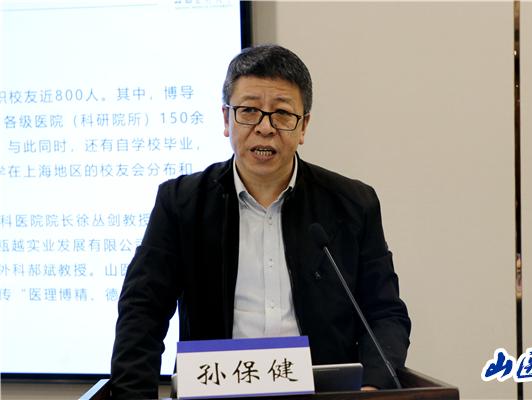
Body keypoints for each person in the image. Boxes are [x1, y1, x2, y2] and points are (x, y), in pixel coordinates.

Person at [110, 44, 411, 399]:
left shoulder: (353, 204)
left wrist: (372, 389)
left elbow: (384, 313)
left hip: (322, 394)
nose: (264, 128)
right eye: (249, 111)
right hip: (216, 392)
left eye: (281, 114)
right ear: (226, 119)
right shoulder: (181, 203)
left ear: (304, 126)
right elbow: (142, 312)